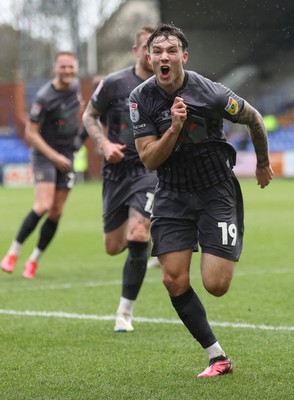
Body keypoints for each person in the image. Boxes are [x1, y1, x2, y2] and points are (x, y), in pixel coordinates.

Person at [129, 23, 273, 377]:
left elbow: (254, 119)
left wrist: (264, 164)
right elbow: (149, 159)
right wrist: (174, 129)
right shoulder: (140, 99)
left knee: (216, 285)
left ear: (184, 56)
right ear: (149, 57)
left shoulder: (210, 92)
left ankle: (220, 237)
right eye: (158, 51)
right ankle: (217, 357)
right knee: (173, 280)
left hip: (214, 190)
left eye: (171, 50)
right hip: (172, 193)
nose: (164, 56)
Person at [82, 26, 157, 333]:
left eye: (161, 50)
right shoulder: (114, 83)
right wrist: (104, 145)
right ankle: (156, 237)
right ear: (136, 51)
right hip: (115, 172)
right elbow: (89, 115)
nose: (155, 56)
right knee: (114, 247)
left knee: (138, 234)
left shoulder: (168, 86)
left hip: (148, 169)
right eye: (148, 49)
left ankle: (124, 313)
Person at [1, 51, 82, 279]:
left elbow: (80, 114)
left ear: (76, 68)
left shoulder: (76, 87)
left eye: (71, 67)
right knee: (43, 205)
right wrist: (55, 156)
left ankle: (34, 259)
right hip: (45, 156)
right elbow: (31, 133)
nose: (67, 71)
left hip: (67, 156)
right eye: (63, 67)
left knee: (56, 212)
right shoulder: (44, 97)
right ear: (55, 68)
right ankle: (12, 253)